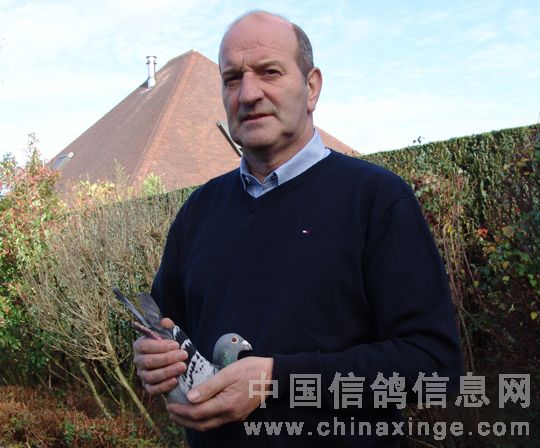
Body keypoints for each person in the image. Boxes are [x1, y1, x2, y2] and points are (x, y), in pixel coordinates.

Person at [133, 10, 462, 447]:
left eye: (269, 72)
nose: (248, 93)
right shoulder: (198, 211)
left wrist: (276, 379)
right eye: (232, 79)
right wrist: (153, 357)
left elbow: (434, 368)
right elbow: (167, 329)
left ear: (311, 87)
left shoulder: (377, 200)